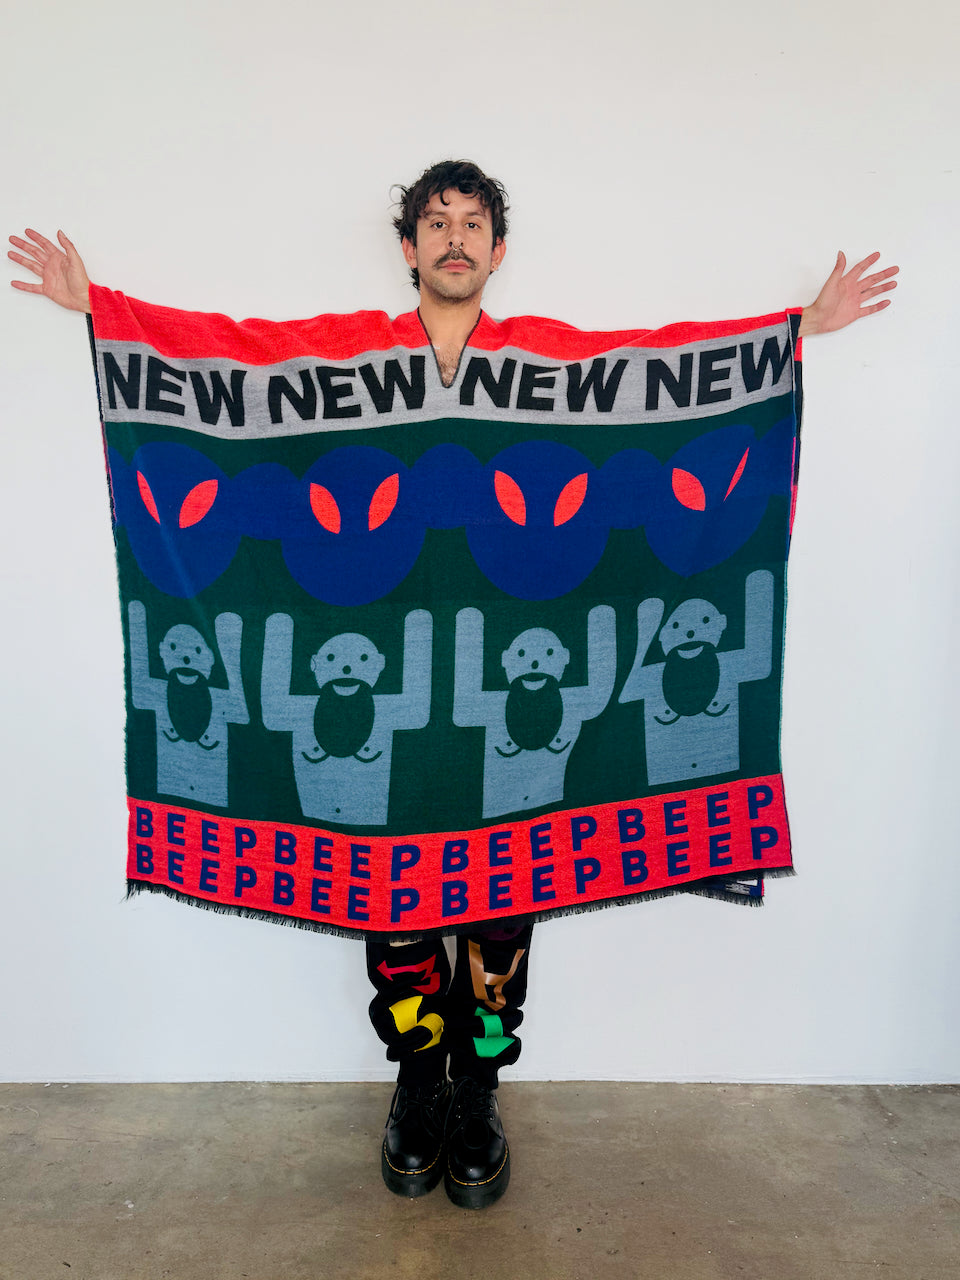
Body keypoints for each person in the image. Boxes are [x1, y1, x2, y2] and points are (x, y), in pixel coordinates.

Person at [8, 159, 898, 1211]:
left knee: (504, 899)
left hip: (504, 695)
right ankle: (416, 1080)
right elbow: (226, 353)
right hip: (393, 694)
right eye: (437, 223)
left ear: (498, 249)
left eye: (473, 224)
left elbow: (663, 363)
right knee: (390, 894)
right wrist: (103, 310)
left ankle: (477, 1089)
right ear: (410, 247)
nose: (455, 239)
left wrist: (794, 330)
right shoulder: (344, 355)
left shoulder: (548, 362)